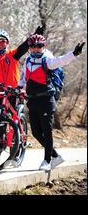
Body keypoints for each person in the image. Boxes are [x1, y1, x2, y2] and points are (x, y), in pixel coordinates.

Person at [18, 34, 85, 171]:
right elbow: (24, 79)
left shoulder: (47, 60)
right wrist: (18, 88)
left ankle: (47, 161)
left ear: (44, 47)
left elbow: (61, 60)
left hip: (46, 100)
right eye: (32, 46)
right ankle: (56, 156)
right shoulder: (27, 61)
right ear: (29, 48)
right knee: (36, 133)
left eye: (39, 46)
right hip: (32, 100)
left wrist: (74, 53)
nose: (36, 49)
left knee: (47, 131)